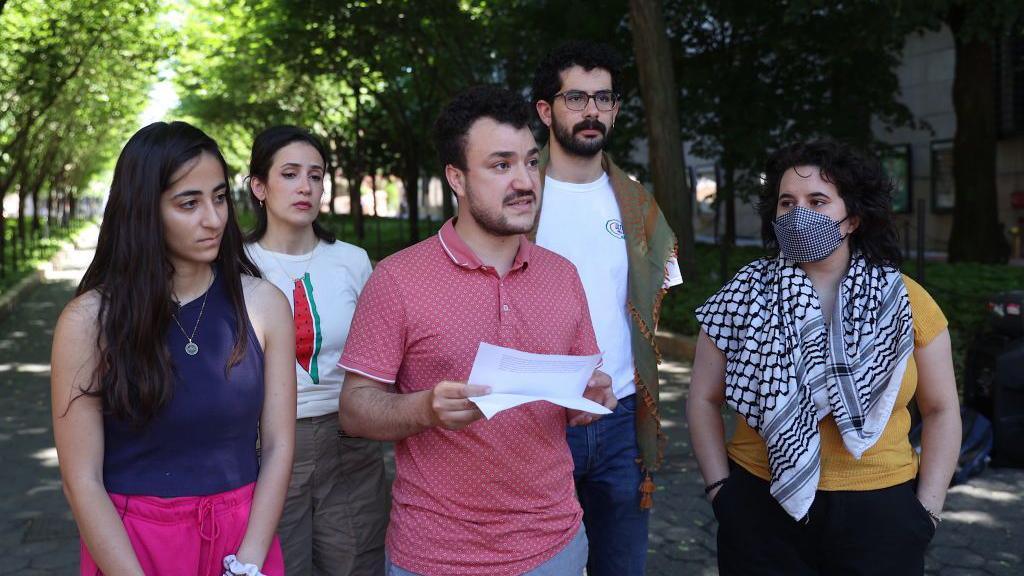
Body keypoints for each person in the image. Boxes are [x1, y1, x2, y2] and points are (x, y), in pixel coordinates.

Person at [337, 85, 617, 576]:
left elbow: (585, 387)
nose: (525, 180)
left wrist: (590, 398)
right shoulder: (398, 279)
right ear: (457, 179)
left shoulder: (562, 274)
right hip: (434, 554)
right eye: (501, 165)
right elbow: (355, 410)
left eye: (531, 162)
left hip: (556, 545)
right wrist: (424, 408)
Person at [687, 140, 961, 575]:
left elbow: (942, 409)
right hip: (761, 504)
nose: (799, 214)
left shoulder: (905, 300)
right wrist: (722, 491)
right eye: (786, 202)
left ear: (852, 218)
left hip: (880, 512)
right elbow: (702, 398)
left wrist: (926, 511)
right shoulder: (740, 297)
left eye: (817, 201)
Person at [50, 121, 295, 576]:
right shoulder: (88, 322)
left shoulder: (264, 305)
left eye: (220, 197)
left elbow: (280, 445)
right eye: (189, 203)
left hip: (242, 541)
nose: (215, 218)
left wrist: (249, 563)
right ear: (143, 210)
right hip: (132, 547)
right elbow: (80, 480)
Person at [530, 40, 682, 576]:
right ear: (547, 111)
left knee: (621, 567)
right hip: (536, 418)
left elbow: (650, 308)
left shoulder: (637, 204)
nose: (591, 110)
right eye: (576, 98)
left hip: (619, 419)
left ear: (616, 109)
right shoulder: (516, 199)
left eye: (603, 98)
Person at [244, 125, 387, 575]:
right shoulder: (234, 265)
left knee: (356, 564)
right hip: (263, 446)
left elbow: (379, 356)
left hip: (350, 441)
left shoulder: (352, 260)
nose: (305, 186)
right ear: (260, 186)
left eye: (316, 175)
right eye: (289, 174)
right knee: (280, 564)